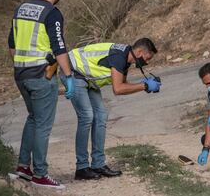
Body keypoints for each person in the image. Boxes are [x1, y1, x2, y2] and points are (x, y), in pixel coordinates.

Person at [8, 0, 74, 189]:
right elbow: (59, 47)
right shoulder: (52, 13)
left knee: (33, 118)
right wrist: (68, 76)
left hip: (21, 74)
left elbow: (12, 43)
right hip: (41, 76)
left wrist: (21, 65)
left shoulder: (21, 8)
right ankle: (40, 174)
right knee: (43, 125)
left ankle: (23, 168)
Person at [61, 38, 161, 180]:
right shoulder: (119, 57)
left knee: (101, 115)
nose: (147, 62)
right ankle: (82, 168)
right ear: (139, 52)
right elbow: (118, 89)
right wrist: (144, 86)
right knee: (87, 117)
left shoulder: (125, 58)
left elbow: (123, 84)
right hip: (72, 72)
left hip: (87, 79)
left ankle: (98, 164)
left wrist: (143, 85)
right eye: (147, 57)